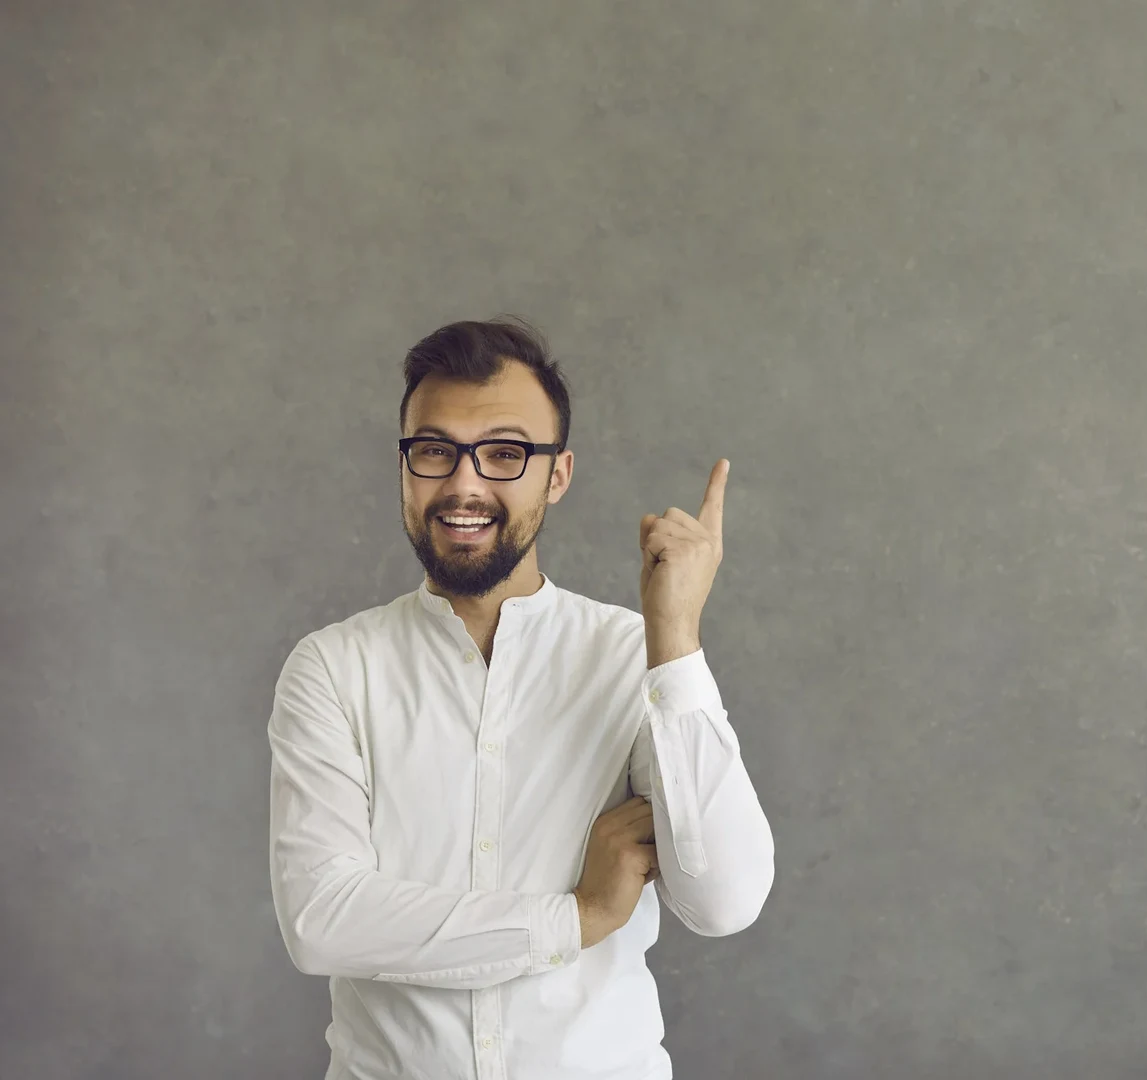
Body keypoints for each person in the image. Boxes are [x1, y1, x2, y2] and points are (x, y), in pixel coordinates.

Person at [266, 316, 775, 1079]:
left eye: (505, 453)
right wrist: (577, 918)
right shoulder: (335, 668)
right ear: (404, 466)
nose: (464, 484)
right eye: (434, 450)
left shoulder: (633, 658)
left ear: (557, 475)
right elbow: (322, 921)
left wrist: (673, 636)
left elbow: (723, 901)